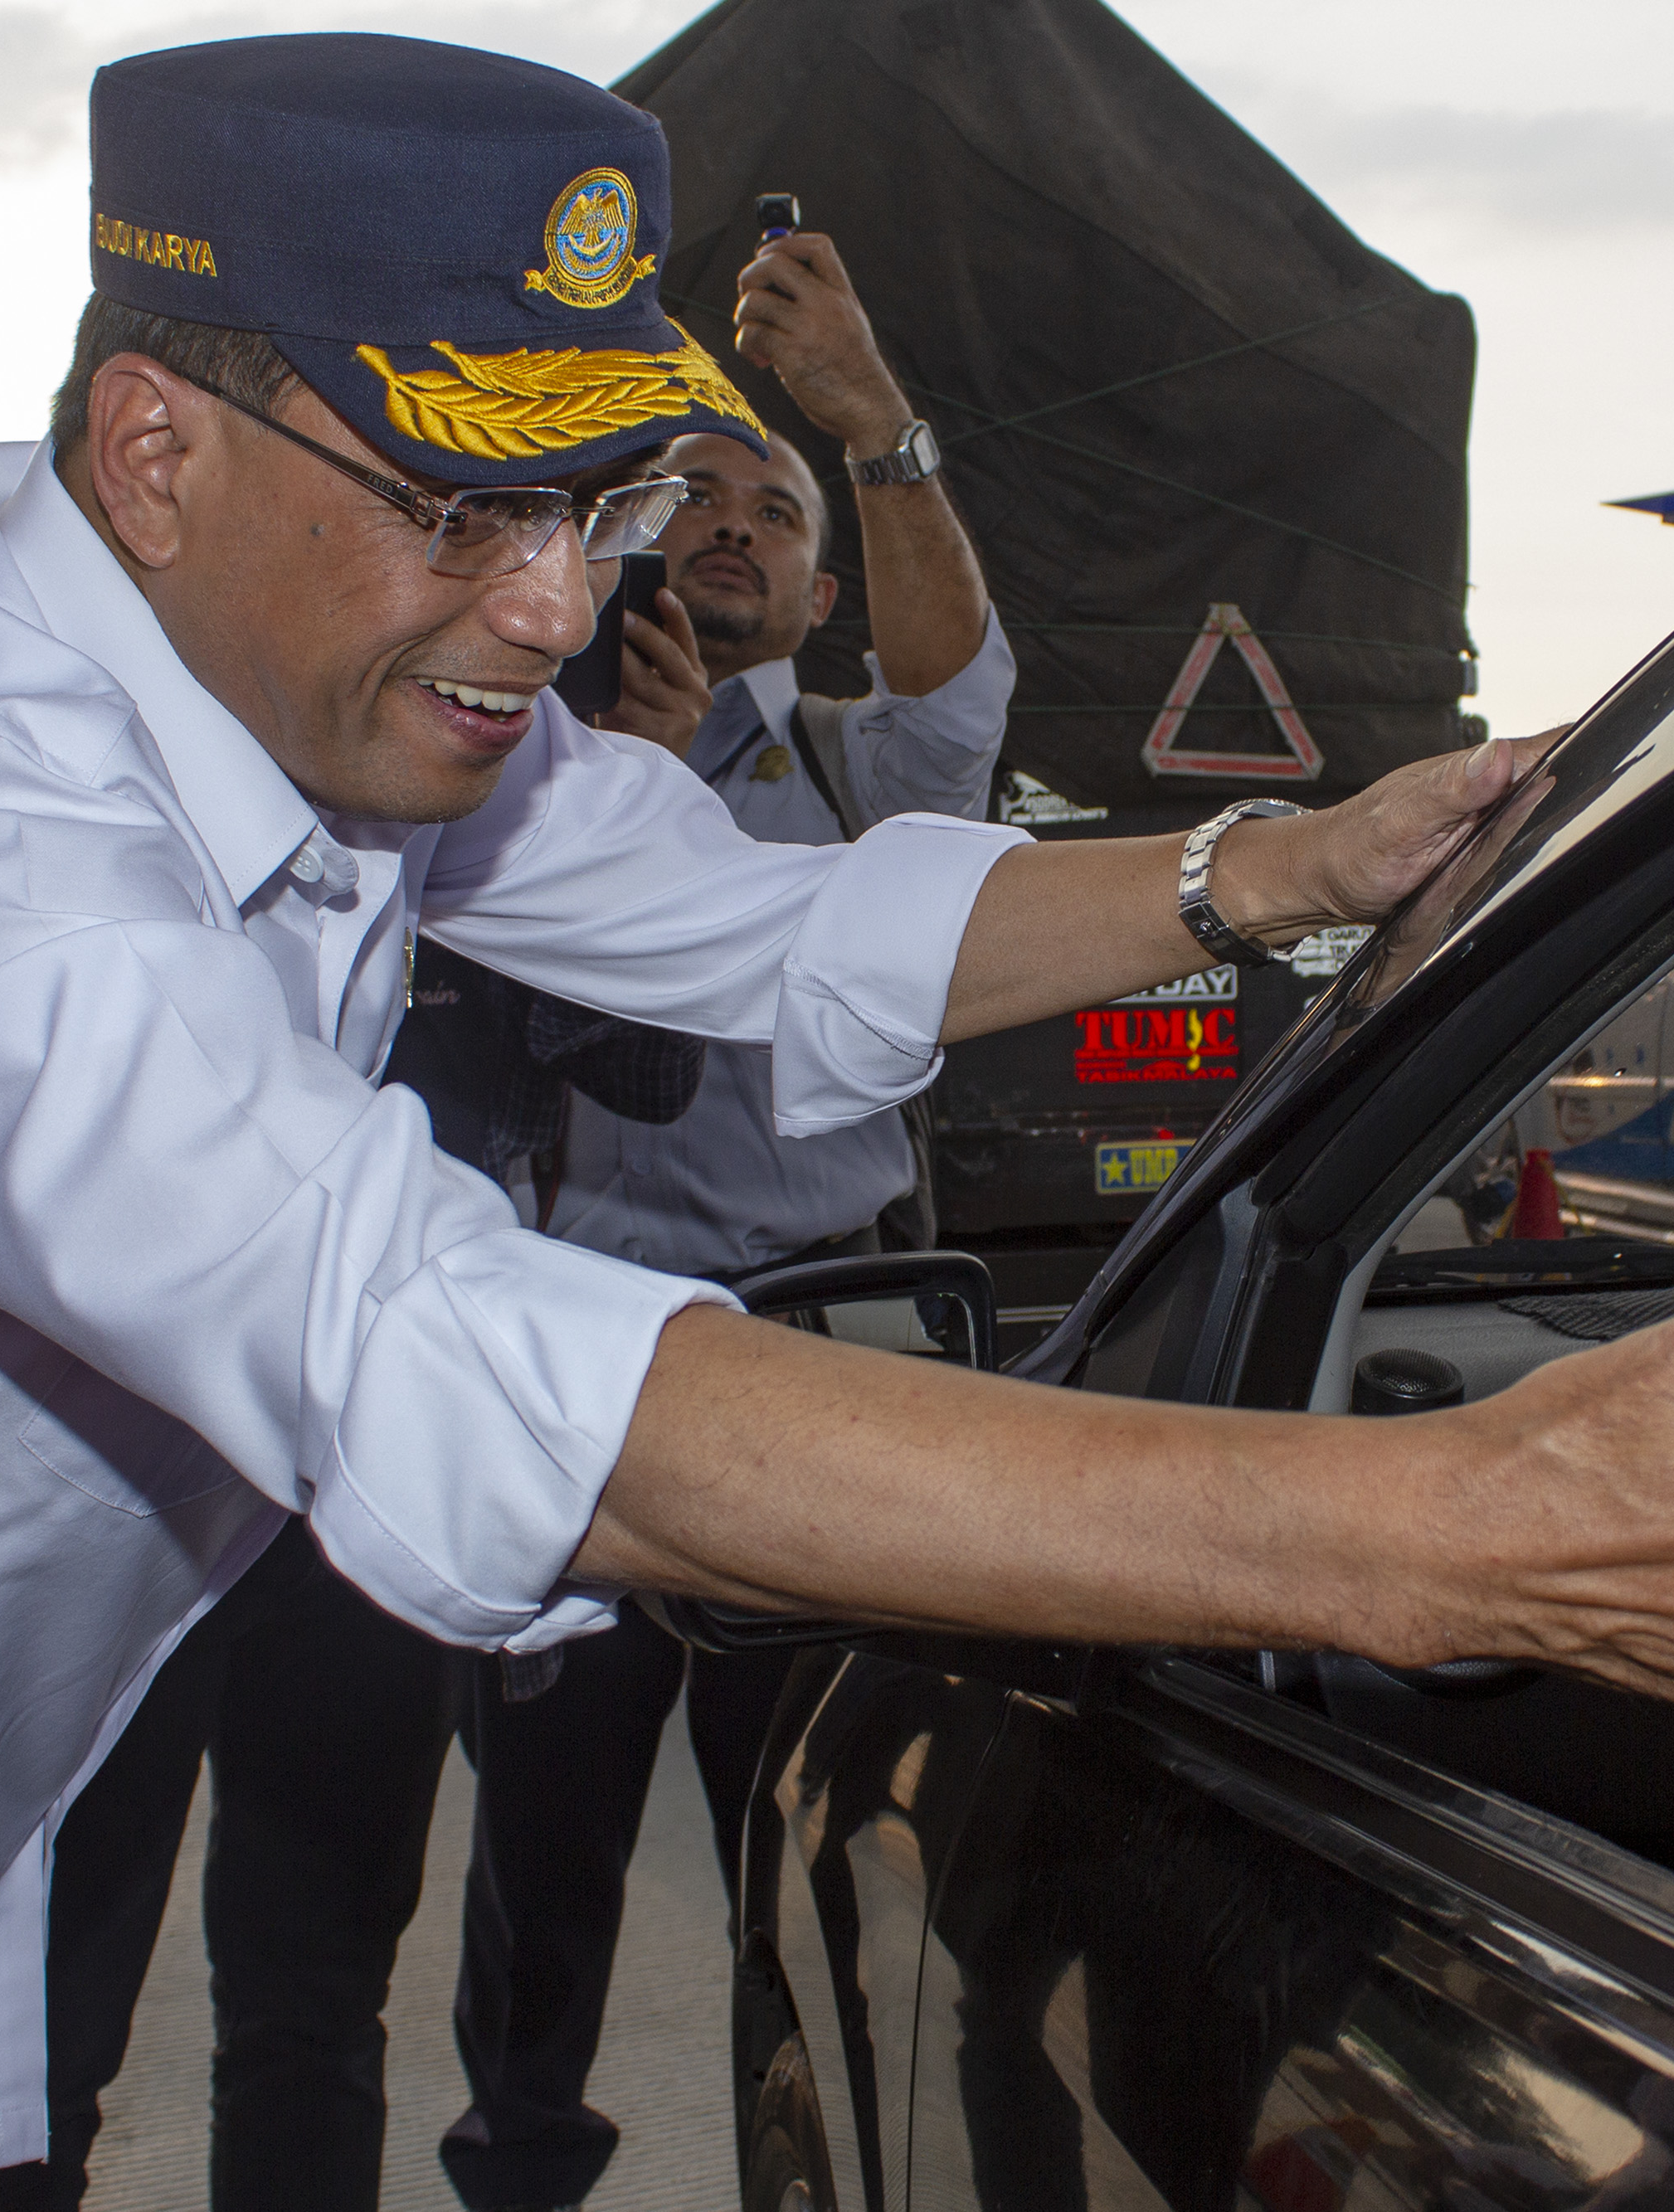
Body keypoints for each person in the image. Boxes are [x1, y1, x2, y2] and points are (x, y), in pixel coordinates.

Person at [0, 36, 1674, 2212]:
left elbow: (775, 922)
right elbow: (441, 1346)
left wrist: (1291, 862)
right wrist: (1447, 1533)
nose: (561, 605)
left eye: (600, 499)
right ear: (154, 449)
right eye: (473, 499)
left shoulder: (317, 682)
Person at [431, 223, 1004, 2212]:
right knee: (543, 1887)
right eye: (709, 500)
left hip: (816, 1354)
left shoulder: (865, 776)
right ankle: (520, 2166)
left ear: (824, 588)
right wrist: (633, 808)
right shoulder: (532, 775)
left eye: (781, 507)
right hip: (590, 1377)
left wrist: (878, 427)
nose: (742, 525)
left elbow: (962, 683)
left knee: (828, 1856)